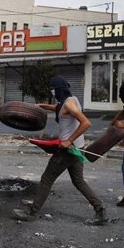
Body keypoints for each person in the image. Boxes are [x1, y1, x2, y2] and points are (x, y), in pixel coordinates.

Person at [12, 75, 108, 225]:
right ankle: (100, 210)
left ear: (58, 90)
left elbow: (85, 122)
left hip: (68, 150)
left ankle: (32, 212)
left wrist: (69, 140)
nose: (52, 92)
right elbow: (59, 109)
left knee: (47, 179)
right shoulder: (71, 100)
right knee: (78, 181)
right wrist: (41, 106)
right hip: (78, 148)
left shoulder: (69, 105)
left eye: (52, 89)